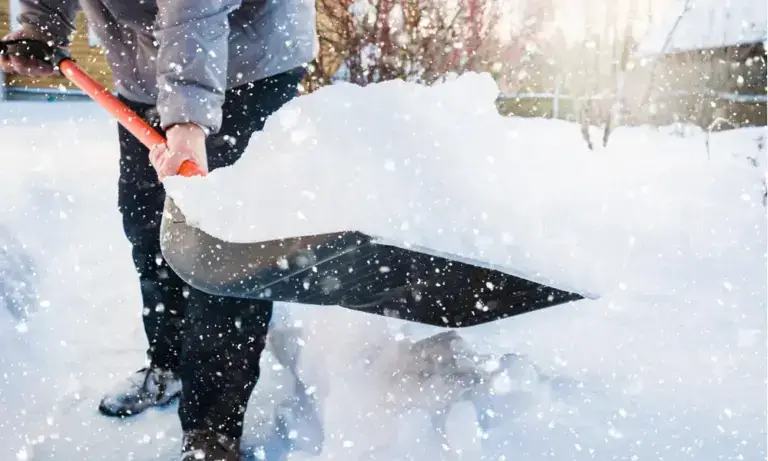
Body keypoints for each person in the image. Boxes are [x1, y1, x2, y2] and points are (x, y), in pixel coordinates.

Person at [1, 1, 317, 459]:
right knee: (148, 221)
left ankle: (213, 430)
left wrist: (187, 120)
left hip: (246, 60)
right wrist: (41, 24)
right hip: (144, 69)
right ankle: (168, 365)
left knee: (220, 246)